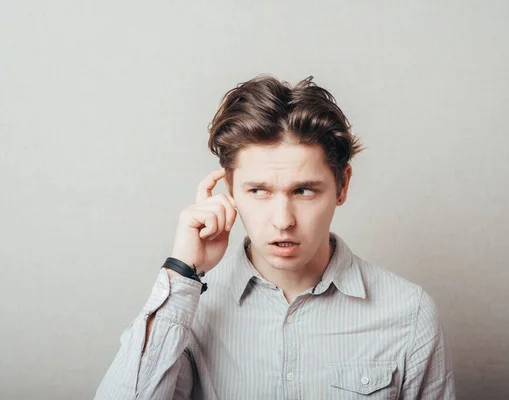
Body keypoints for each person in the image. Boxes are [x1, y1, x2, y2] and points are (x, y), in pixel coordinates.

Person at [95, 75, 455, 399]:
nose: (283, 221)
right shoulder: (192, 309)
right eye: (259, 191)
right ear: (230, 189)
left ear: (342, 186)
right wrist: (181, 273)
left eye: (304, 191)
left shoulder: (408, 312)